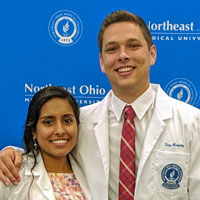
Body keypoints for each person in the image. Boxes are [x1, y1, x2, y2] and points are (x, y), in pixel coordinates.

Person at [0, 10, 200, 199]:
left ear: (152, 54)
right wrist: (10, 155)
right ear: (102, 62)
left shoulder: (192, 122)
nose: (123, 55)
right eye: (112, 49)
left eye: (133, 45)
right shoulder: (80, 122)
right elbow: (46, 159)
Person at [0, 86, 90, 199]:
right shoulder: (11, 171)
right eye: (48, 122)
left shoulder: (90, 170)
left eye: (67, 121)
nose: (60, 131)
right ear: (34, 131)